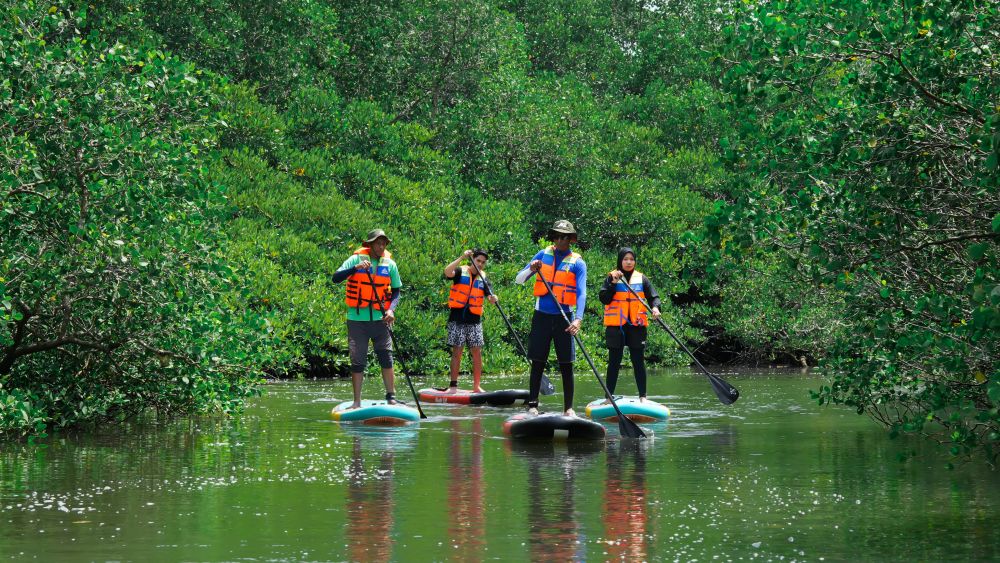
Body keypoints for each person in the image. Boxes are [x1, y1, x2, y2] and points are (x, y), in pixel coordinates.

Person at [514, 220, 587, 416]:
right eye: (556, 236)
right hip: (542, 317)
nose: (560, 240)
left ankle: (568, 409)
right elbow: (518, 279)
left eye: (564, 236)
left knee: (566, 364)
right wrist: (531, 268)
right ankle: (533, 405)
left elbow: (582, 293)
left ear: (571, 239)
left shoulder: (578, 263)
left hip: (565, 318)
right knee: (538, 361)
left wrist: (578, 319)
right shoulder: (542, 255)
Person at [331, 229, 403, 408]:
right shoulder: (356, 259)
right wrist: (355, 268)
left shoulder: (390, 264)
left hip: (381, 319)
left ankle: (391, 397)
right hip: (357, 320)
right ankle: (356, 402)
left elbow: (396, 291)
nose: (381, 246)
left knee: (386, 357)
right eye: (378, 243)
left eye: (383, 243)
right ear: (369, 244)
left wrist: (391, 310)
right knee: (358, 361)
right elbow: (335, 278)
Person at [598, 247, 661, 403]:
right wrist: (613, 283)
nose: (628, 262)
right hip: (616, 326)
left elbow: (654, 297)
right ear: (620, 261)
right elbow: (604, 298)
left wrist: (655, 308)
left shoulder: (642, 279)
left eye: (631, 259)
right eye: (625, 259)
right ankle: (608, 397)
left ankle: (643, 397)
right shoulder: (611, 277)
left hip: (636, 326)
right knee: (614, 362)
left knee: (638, 361)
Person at [443, 249, 499, 393]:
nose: (480, 264)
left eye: (483, 262)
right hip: (457, 318)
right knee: (457, 351)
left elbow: (490, 297)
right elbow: (447, 272)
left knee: (477, 352)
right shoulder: (461, 271)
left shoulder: (484, 278)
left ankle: (476, 386)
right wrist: (461, 256)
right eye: (478, 260)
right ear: (472, 259)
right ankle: (453, 386)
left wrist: (493, 298)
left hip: (474, 320)